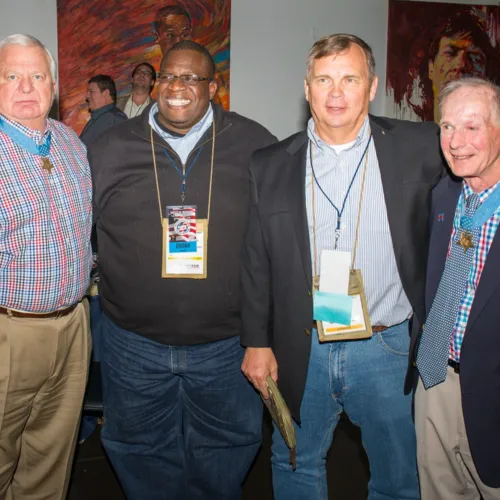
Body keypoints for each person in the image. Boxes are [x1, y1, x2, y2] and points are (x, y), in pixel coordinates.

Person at [240, 33, 445, 500]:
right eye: (324, 79)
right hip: (300, 347)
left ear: (371, 87)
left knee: (397, 476)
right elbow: (255, 261)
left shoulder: (420, 146)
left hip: (387, 348)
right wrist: (256, 340)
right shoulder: (269, 164)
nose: (336, 92)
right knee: (295, 462)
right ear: (306, 87)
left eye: (349, 78)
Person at [87, 40, 275, 500]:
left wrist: (264, 335)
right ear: (154, 85)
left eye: (191, 78)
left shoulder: (255, 145)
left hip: (226, 345)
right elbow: (81, 231)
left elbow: (274, 244)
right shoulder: (109, 147)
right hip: (133, 344)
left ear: (214, 87)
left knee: (228, 446)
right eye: (168, 76)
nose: (177, 87)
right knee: (137, 446)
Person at [0, 34, 92, 499]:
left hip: (74, 328)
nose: (25, 87)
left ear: (54, 85)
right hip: (8, 334)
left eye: (37, 75)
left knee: (49, 463)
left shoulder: (73, 144)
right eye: (11, 75)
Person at [409, 78, 500, 499]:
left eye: (471, 127)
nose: (456, 142)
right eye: (446, 127)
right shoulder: (444, 195)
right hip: (435, 377)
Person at [80, 74, 127, 145]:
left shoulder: (115, 119)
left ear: (105, 93)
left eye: (91, 91)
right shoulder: (100, 117)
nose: (87, 96)